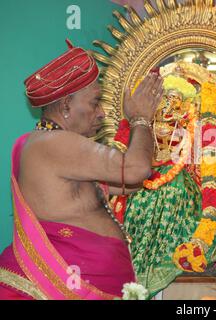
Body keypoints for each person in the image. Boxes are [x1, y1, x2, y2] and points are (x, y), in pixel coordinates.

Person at [0, 40, 163, 300]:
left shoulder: (54, 147)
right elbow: (135, 170)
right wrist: (140, 118)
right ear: (66, 105)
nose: (101, 113)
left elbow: (131, 183)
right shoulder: (54, 143)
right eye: (95, 102)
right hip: (61, 287)